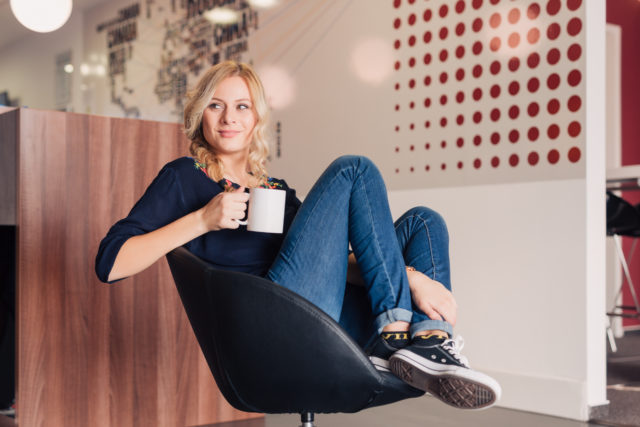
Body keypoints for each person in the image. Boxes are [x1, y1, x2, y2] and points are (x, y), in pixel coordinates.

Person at [95, 60, 501, 410]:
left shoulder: (275, 190)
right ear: (200, 113)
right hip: (269, 322)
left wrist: (410, 276)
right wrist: (202, 220)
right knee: (353, 169)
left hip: (320, 313)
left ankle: (429, 343)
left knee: (424, 223)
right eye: (215, 106)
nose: (228, 118)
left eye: (242, 107)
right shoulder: (185, 177)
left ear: (256, 118)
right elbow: (110, 263)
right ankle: (396, 339)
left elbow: (333, 267)